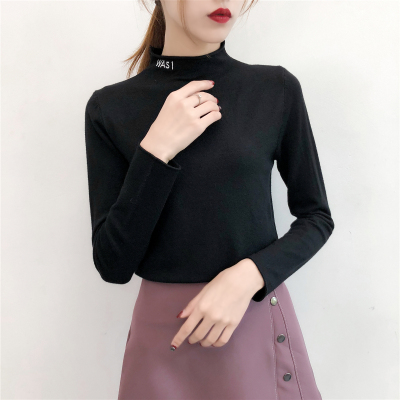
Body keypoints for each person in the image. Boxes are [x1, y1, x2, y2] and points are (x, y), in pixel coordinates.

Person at [84, 0, 334, 398]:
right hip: (163, 345)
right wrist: (156, 150)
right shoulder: (110, 107)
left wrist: (249, 275)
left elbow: (316, 217)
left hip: (249, 319)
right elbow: (113, 264)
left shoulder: (274, 89)